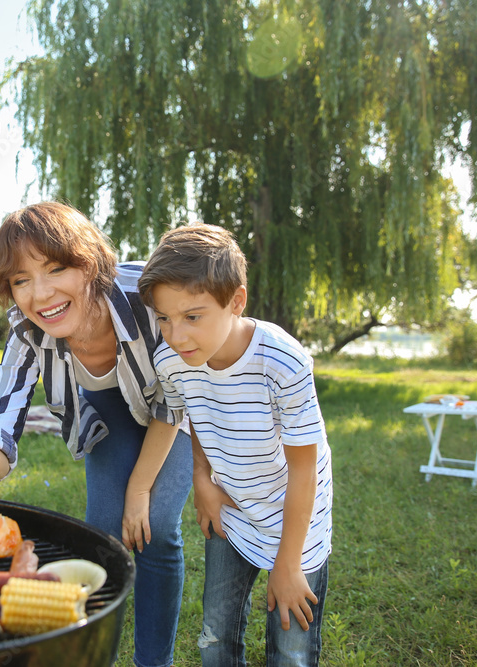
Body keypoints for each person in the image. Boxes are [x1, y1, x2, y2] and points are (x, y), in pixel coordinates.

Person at [0, 202, 193, 667]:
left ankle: (155, 662)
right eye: (21, 280)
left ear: (90, 263)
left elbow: (176, 399)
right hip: (109, 410)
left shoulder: (151, 300)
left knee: (156, 524)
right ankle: (91, 654)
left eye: (56, 268)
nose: (41, 293)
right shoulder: (26, 336)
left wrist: (146, 487)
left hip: (173, 410)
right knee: (103, 532)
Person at [137, 224, 333, 667]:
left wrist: (288, 563)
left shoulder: (282, 360)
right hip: (231, 510)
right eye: (163, 318)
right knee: (215, 636)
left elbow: (305, 469)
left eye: (192, 316)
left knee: (291, 649)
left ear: (236, 302)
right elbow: (195, 415)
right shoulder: (173, 361)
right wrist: (202, 479)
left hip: (297, 518)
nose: (176, 335)